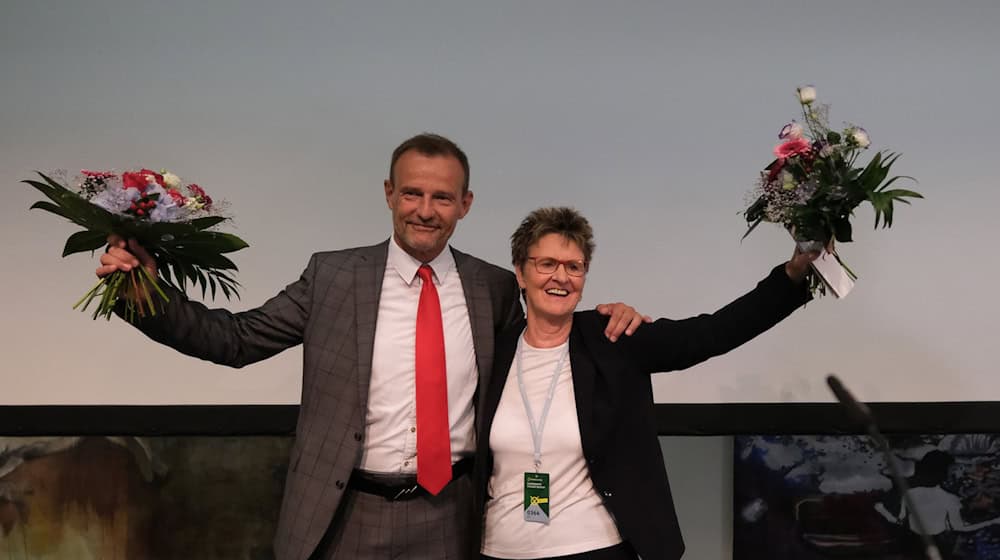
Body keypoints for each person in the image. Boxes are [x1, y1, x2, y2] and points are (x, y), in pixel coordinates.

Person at [97, 134, 646, 560]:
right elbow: (235, 340)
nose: (425, 210)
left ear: (465, 204)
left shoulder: (495, 288)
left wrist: (608, 321)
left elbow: (546, 342)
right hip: (344, 516)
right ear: (389, 194)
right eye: (412, 193)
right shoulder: (334, 276)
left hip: (451, 518)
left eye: (442, 197)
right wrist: (141, 290)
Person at [474, 207, 817, 560]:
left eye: (574, 266)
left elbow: (711, 334)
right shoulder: (492, 352)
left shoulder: (612, 337)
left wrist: (791, 276)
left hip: (593, 548)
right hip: (498, 550)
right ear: (520, 272)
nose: (561, 277)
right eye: (546, 264)